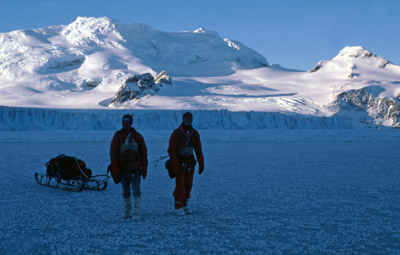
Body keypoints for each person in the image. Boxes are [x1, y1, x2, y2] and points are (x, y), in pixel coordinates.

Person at [110, 114, 148, 219]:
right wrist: (115, 168)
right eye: (123, 121)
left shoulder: (138, 136)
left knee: (136, 189)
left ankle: (137, 212)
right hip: (123, 169)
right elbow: (113, 153)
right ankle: (126, 211)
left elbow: (144, 152)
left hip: (135, 168)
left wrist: (144, 167)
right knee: (125, 190)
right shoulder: (118, 135)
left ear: (131, 123)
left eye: (127, 121)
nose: (125, 123)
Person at [168, 112, 204, 216]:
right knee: (180, 185)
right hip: (180, 163)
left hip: (190, 163)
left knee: (188, 185)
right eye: (186, 118)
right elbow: (172, 150)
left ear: (192, 120)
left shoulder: (195, 134)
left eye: (189, 118)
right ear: (182, 119)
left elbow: (198, 150)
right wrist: (175, 165)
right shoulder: (176, 133)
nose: (187, 120)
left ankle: (184, 204)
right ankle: (178, 205)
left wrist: (201, 163)